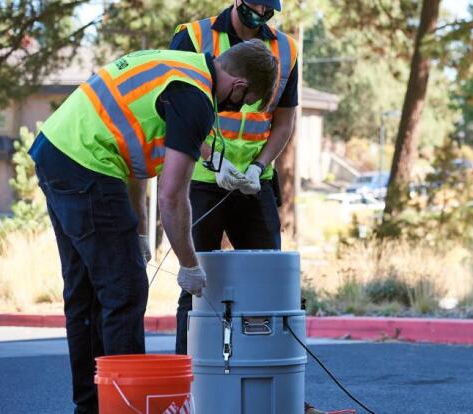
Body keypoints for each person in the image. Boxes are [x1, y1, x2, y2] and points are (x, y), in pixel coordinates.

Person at [30, 40, 277, 413]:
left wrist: (140, 230)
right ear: (239, 85)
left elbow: (130, 145)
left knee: (84, 294)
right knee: (125, 290)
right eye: (244, 102)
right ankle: (124, 407)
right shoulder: (195, 99)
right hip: (87, 166)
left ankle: (92, 405)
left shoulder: (179, 65)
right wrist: (190, 265)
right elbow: (173, 197)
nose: (236, 108)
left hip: (57, 150)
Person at [169, 0, 297, 355]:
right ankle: (189, 385)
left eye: (268, 6)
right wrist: (214, 160)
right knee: (195, 285)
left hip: (254, 183)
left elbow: (285, 122)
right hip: (203, 178)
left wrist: (259, 166)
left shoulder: (286, 49)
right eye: (255, 3)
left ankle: (266, 382)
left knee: (268, 286)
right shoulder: (194, 37)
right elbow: (175, 110)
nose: (261, 11)